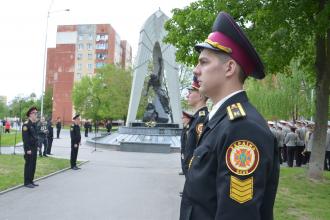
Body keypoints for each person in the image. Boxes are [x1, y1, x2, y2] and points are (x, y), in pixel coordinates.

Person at [180, 12, 279, 220]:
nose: (196, 71)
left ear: (229, 68)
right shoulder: (220, 120)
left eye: (204, 62)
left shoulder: (242, 128)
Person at [182, 77, 208, 176]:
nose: (187, 95)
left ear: (201, 95)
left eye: (191, 92)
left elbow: (198, 150)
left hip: (194, 172)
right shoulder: (196, 117)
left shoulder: (201, 118)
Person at [22, 107, 39, 188]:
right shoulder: (26, 125)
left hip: (34, 148)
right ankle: (27, 182)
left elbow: (35, 137)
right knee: (29, 165)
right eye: (35, 113)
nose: (36, 115)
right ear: (30, 114)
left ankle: (31, 181)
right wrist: (28, 149)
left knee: (33, 165)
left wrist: (38, 146)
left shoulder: (33, 124)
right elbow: (25, 139)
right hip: (29, 149)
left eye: (36, 113)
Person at [180, 111, 192, 176]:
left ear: (188, 119)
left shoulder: (189, 128)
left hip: (187, 150)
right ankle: (184, 170)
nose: (182, 119)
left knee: (187, 162)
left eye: (183, 118)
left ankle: (186, 171)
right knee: (183, 160)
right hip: (183, 149)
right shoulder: (185, 127)